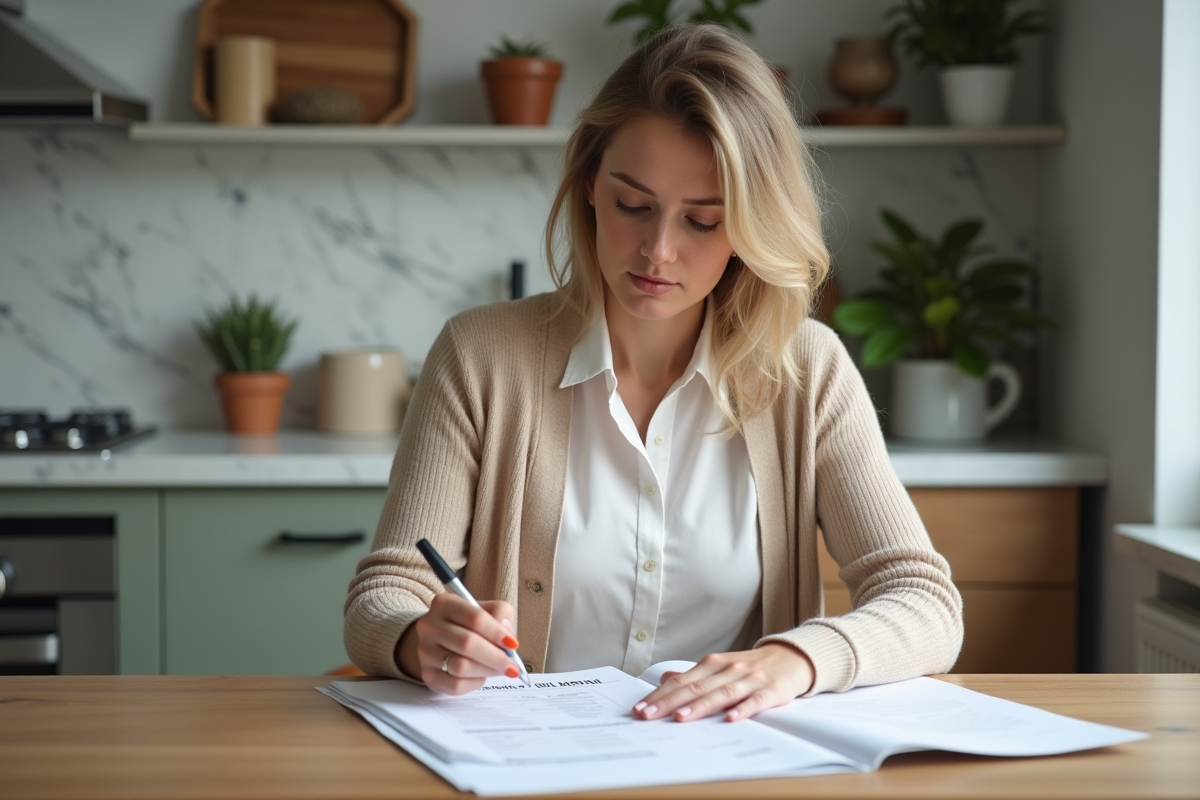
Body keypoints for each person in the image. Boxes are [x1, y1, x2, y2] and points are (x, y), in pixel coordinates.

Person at [344, 24, 963, 724]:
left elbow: (926, 604)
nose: (658, 250)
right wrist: (417, 640)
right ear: (589, 183)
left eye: (703, 221)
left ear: (751, 227)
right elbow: (384, 593)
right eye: (633, 205)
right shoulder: (480, 354)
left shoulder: (808, 371)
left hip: (736, 760)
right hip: (529, 756)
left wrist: (792, 661)